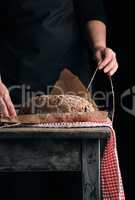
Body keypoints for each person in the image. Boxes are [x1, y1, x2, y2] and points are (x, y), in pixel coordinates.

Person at [0, 0, 118, 199]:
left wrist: (99, 46)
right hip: (12, 89)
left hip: (71, 85)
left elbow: (91, 8)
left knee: (72, 187)